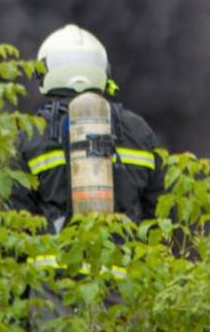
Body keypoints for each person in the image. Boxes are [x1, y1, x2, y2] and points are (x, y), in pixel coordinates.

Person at [11, 24, 166, 231]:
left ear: (44, 75)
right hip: (126, 261)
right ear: (104, 72)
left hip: (52, 263)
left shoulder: (30, 135)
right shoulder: (138, 132)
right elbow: (160, 213)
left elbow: (15, 218)